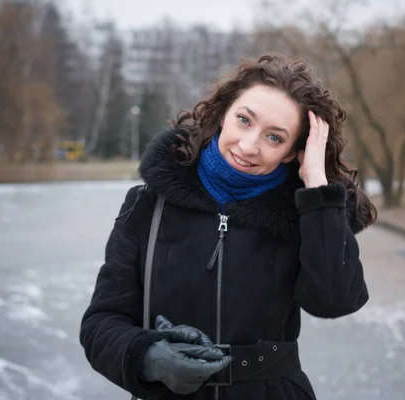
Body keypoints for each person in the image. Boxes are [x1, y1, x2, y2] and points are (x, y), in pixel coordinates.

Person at [79, 53, 377, 400]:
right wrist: (149, 357)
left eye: (275, 138)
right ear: (224, 114)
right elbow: (100, 323)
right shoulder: (149, 204)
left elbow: (334, 301)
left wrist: (317, 187)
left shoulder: (303, 216)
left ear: (293, 152)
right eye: (244, 120)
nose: (249, 146)